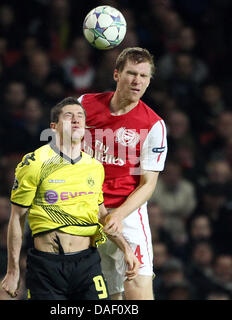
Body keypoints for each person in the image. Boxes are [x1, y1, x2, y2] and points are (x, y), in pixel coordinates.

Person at [1, 97, 140, 300]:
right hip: (47, 266)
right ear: (53, 126)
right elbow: (17, 218)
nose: (76, 120)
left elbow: (101, 214)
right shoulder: (34, 163)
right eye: (68, 116)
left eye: (80, 116)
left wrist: (126, 249)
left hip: (88, 263)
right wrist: (13, 271)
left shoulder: (94, 167)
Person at [78, 47, 168, 299]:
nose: (137, 81)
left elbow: (148, 184)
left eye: (144, 76)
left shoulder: (154, 125)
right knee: (106, 296)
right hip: (83, 209)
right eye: (131, 73)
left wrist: (118, 215)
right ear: (117, 74)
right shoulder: (84, 105)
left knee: (139, 287)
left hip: (126, 214)